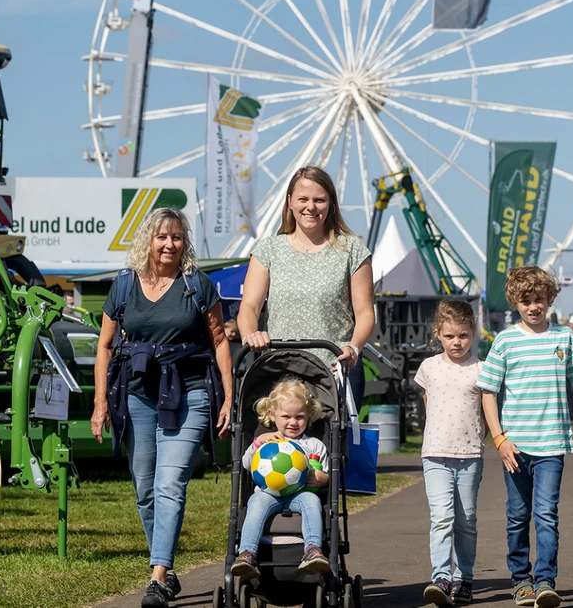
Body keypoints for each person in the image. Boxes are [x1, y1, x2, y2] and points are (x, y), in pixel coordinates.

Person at [91, 207, 234, 608]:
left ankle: (157, 576)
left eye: (176, 237)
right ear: (147, 241)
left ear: (184, 242)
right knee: (145, 488)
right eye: (162, 237)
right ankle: (166, 569)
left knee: (169, 483)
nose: (169, 244)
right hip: (137, 395)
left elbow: (220, 341)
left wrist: (229, 396)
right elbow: (104, 345)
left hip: (189, 393)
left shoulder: (197, 285)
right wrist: (100, 402)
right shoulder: (124, 285)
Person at [477, 267, 573, 608]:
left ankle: (545, 581)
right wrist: (499, 439)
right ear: (515, 302)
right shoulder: (505, 341)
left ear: (550, 299)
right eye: (526, 301)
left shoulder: (565, 338)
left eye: (539, 299)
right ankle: (520, 580)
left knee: (547, 514)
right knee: (517, 516)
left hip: (552, 444)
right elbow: (488, 391)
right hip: (514, 447)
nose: (533, 306)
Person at [238, 166, 374, 377]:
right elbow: (249, 306)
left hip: (335, 369)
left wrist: (354, 347)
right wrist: (250, 335)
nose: (311, 207)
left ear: (331, 204)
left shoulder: (352, 250)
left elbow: (365, 312)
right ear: (290, 201)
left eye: (319, 200)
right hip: (280, 369)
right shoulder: (269, 250)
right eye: (303, 199)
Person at [415, 300, 485, 607]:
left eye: (463, 335)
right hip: (435, 454)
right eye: (449, 336)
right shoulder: (429, 367)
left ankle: (463, 578)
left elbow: (488, 408)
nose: (456, 342)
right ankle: (441, 577)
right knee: (441, 517)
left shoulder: (481, 369)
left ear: (473, 333)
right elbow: (428, 401)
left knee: (466, 521)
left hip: (470, 455)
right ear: (438, 335)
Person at [230, 379, 331, 580]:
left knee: (313, 501)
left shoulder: (314, 445)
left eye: (299, 417)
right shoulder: (267, 442)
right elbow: (246, 464)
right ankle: (247, 553)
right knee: (255, 502)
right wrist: (257, 443)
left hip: (300, 494)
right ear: (272, 415)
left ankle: (313, 550)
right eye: (286, 416)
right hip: (268, 494)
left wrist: (322, 478)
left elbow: (327, 474)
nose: (293, 422)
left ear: (309, 415)